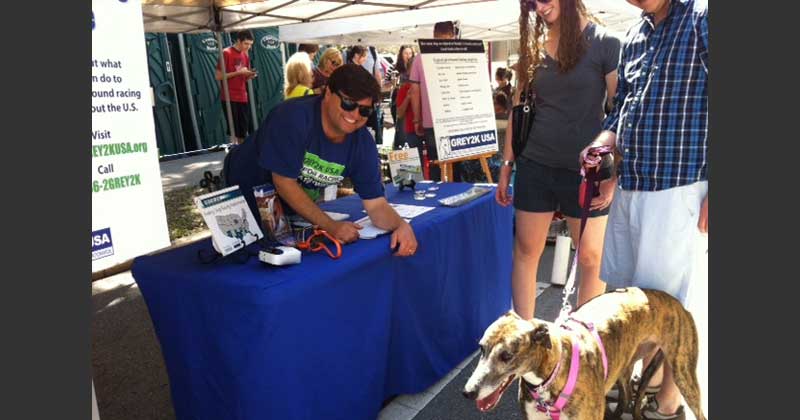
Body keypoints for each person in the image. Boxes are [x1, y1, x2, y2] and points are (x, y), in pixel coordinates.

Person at [580, 1, 708, 419]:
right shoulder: (637, 32)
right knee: (632, 302)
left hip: (677, 186)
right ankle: (646, 389)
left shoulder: (702, 17)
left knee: (667, 309)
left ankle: (667, 403)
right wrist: (603, 142)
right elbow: (621, 110)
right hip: (632, 186)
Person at [495, 0, 621, 321]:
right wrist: (506, 166)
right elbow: (518, 110)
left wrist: (613, 174)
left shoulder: (605, 42)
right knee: (525, 251)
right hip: (536, 165)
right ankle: (524, 340)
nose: (538, 6)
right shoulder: (533, 48)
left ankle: (583, 343)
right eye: (530, 2)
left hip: (587, 171)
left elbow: (622, 113)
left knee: (591, 258)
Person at [224, 64, 418, 256]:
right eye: (348, 103)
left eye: (364, 110)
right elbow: (284, 182)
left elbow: (376, 205)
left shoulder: (362, 143)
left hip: (284, 209)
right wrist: (331, 226)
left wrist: (401, 225)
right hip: (242, 190)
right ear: (327, 94)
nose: (355, 115)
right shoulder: (293, 118)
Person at [408, 21, 459, 180]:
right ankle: (456, 196)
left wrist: (417, 120)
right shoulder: (461, 55)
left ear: (434, 35)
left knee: (436, 163)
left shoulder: (420, 58)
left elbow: (414, 91)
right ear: (453, 35)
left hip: (431, 121)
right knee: (456, 163)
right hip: (458, 120)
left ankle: (438, 198)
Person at [215, 30, 257, 145]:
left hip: (242, 97)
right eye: (246, 44)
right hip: (229, 97)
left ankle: (242, 155)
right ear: (238, 40)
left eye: (250, 44)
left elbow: (243, 77)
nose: (248, 47)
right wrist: (238, 73)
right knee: (233, 131)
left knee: (243, 131)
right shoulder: (226, 53)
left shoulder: (245, 55)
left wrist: (249, 75)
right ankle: (234, 155)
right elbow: (218, 76)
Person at [390, 45, 416, 149]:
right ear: (401, 54)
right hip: (399, 97)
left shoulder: (416, 67)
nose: (408, 55)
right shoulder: (395, 67)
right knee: (401, 126)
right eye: (406, 53)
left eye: (410, 53)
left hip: (410, 99)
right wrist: (393, 83)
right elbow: (387, 82)